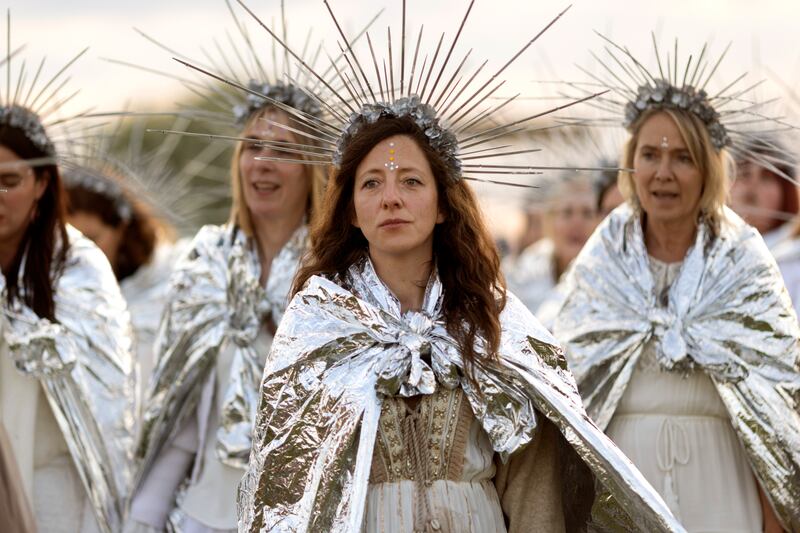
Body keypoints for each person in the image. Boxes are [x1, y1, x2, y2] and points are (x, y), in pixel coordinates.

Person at [236, 4, 685, 531]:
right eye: (372, 184)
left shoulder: (489, 316)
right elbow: (291, 488)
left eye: (411, 182)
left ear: (442, 204)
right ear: (352, 211)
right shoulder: (320, 321)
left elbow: (531, 478)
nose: (391, 199)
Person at [554, 36, 800, 532]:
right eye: (650, 155)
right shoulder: (604, 258)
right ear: (633, 164)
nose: (663, 173)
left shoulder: (742, 259)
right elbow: (567, 390)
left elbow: (776, 411)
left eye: (682, 157)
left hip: (723, 493)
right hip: (625, 491)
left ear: (707, 167)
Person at [124, 44, 327, 533]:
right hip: (205, 513)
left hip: (308, 515)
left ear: (314, 167)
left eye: (283, 151)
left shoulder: (337, 273)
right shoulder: (204, 262)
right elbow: (181, 415)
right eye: (253, 146)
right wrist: (142, 516)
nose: (262, 163)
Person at [0, 105, 135, 531]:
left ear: (42, 183)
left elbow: (105, 400)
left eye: (8, 182)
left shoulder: (79, 269)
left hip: (52, 489)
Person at [65, 163, 188, 399]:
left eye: (91, 239)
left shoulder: (168, 285)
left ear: (120, 229)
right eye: (68, 241)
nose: (78, 254)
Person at [504, 175, 598, 321]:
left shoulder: (607, 273)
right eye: (567, 213)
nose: (577, 222)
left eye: (587, 213)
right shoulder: (526, 269)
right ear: (549, 221)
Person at [730, 137, 799, 248]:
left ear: (788, 191)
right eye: (745, 173)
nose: (753, 184)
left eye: (766, 177)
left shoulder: (793, 257)